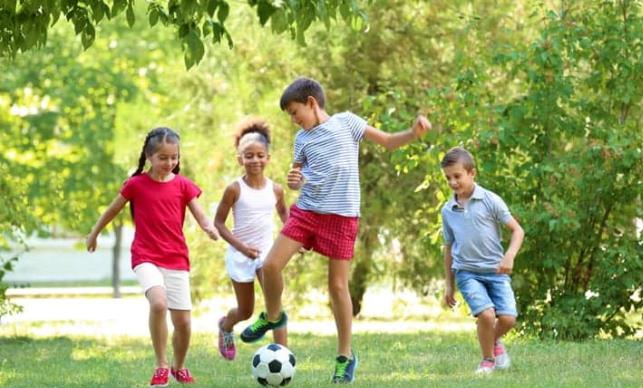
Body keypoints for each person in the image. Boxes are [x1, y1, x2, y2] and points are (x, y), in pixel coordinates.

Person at [240, 77, 431, 384]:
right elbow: (299, 176)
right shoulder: (302, 139)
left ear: (311, 103)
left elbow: (386, 141)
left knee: (338, 288)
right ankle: (273, 316)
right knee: (271, 265)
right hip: (307, 212)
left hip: (342, 217)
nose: (293, 119)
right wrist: (294, 181)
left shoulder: (347, 123)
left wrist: (412, 133)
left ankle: (345, 356)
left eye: (294, 111)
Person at [86, 127, 219, 387]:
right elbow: (112, 210)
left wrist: (208, 227)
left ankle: (178, 366)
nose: (169, 163)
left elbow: (199, 213)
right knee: (158, 303)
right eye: (163, 158)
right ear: (149, 156)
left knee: (183, 323)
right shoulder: (136, 184)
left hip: (176, 257)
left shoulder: (183, 185)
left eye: (174, 157)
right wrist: (94, 233)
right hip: (145, 255)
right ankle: (160, 365)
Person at [439, 147, 524, 374]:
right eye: (448, 178)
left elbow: (517, 231)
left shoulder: (490, 200)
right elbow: (448, 248)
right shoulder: (447, 210)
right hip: (467, 272)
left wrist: (509, 256)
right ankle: (487, 360)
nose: (453, 182)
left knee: (508, 318)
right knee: (486, 315)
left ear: (472, 173)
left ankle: (493, 342)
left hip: (496, 270)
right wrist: (449, 284)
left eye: (457, 176)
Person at [213, 118, 289, 361]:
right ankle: (226, 326)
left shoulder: (276, 190)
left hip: (267, 254)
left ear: (268, 157)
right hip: (240, 254)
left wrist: (293, 241)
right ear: (239, 159)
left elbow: (286, 216)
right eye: (249, 156)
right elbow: (219, 223)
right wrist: (242, 247)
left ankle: (284, 355)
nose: (255, 160)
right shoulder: (234, 189)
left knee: (275, 305)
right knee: (246, 311)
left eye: (260, 155)